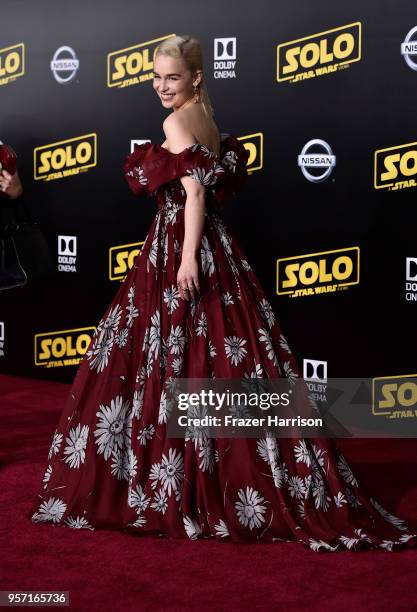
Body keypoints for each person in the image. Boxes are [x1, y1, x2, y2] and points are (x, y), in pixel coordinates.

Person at [28, 35, 417, 552]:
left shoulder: (175, 123)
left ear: (194, 78)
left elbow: (192, 193)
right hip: (218, 246)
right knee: (220, 356)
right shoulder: (207, 120)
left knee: (172, 354)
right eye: (155, 77)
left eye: (171, 77)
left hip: (183, 246)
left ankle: (178, 480)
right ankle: (221, 472)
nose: (161, 87)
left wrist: (187, 257)